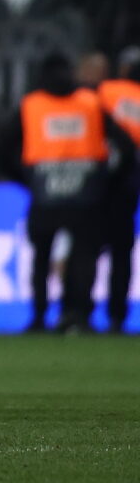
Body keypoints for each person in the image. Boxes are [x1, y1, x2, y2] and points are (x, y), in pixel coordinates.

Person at [0, 54, 129, 332]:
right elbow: (125, 147)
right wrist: (104, 180)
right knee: (84, 257)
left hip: (45, 192)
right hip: (87, 193)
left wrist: (26, 178)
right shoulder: (91, 103)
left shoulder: (31, 106)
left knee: (41, 257)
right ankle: (77, 315)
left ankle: (39, 316)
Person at [93, 55, 140, 334]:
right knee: (122, 251)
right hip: (130, 181)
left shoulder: (106, 91)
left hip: (102, 177)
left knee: (88, 247)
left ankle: (78, 312)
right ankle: (117, 316)